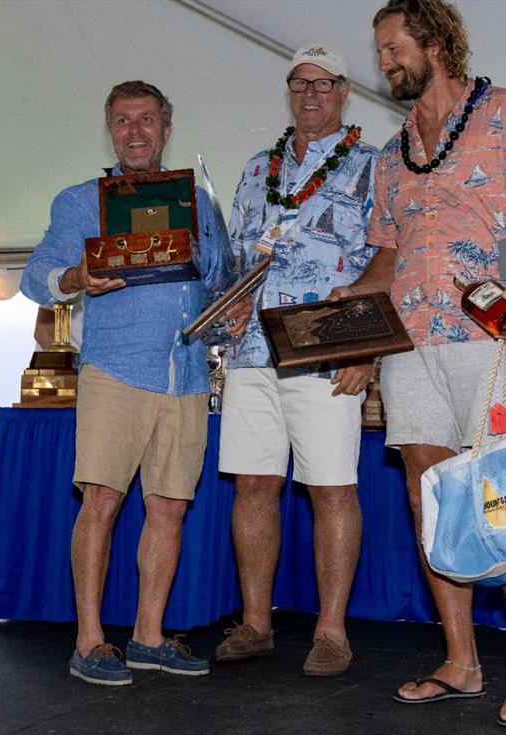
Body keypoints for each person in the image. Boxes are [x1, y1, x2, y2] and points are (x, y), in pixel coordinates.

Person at [333, 1, 506, 726]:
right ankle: (462, 660)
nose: (383, 63)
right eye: (380, 51)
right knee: (431, 499)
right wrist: (344, 303)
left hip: (489, 337)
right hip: (409, 348)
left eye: (391, 48)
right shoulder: (390, 156)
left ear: (436, 43)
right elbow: (388, 254)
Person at [21, 81, 250, 686]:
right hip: (115, 369)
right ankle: (90, 641)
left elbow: (221, 281)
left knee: (170, 508)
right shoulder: (78, 201)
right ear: (110, 130)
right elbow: (34, 276)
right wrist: (77, 275)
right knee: (102, 502)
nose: (136, 132)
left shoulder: (201, 205)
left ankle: (149, 638)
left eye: (146, 120)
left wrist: (231, 307)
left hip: (188, 374)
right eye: (123, 121)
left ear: (166, 129)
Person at [215, 45, 380, 676]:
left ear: (344, 91)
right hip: (252, 352)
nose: (310, 93)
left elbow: (386, 260)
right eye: (299, 83)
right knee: (254, 484)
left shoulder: (372, 165)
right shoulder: (258, 168)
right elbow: (235, 259)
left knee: (331, 488)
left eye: (323, 83)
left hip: (327, 350)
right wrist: (226, 309)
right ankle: (257, 623)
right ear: (289, 92)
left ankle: (331, 633)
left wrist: (367, 349)